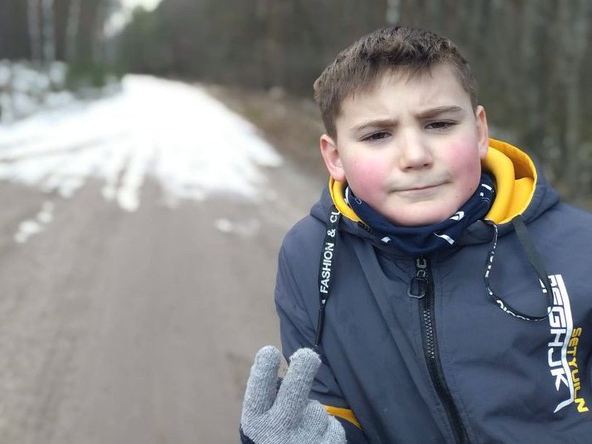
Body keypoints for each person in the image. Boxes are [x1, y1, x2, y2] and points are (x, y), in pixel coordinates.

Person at [239, 26, 592, 443]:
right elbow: (330, 410)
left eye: (439, 124)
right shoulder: (308, 256)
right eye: (377, 135)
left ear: (480, 132)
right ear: (335, 157)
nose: (415, 156)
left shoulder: (578, 245)